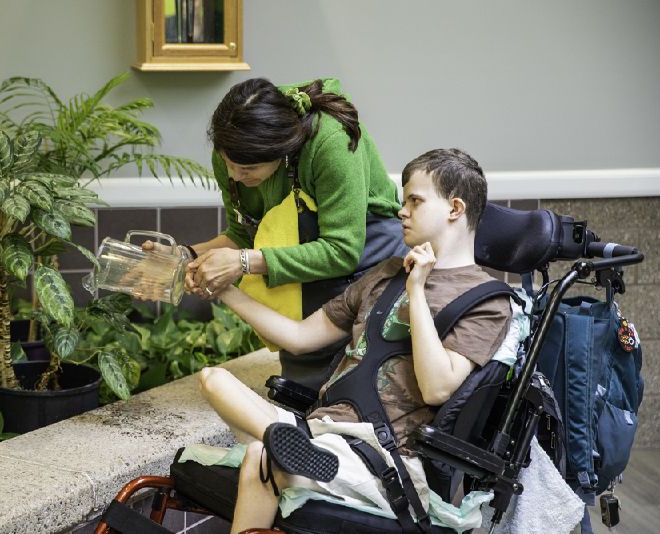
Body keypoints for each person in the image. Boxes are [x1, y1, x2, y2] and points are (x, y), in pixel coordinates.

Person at [198, 148, 513, 532]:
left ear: (454, 208)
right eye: (403, 201)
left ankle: (291, 453)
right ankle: (296, 450)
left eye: (415, 201)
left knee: (259, 457)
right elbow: (299, 337)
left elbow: (436, 389)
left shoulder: (487, 300)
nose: (402, 211)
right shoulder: (385, 273)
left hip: (386, 458)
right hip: (321, 432)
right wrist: (223, 291)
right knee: (213, 379)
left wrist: (417, 289)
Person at [175, 77, 408, 389]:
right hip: (309, 260)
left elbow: (342, 249)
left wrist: (242, 263)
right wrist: (187, 255)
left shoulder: (330, 141)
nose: (235, 176)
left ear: (283, 150)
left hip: (370, 260)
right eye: (229, 165)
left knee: (354, 389)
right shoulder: (234, 153)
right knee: (300, 389)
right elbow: (245, 233)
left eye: (247, 171)